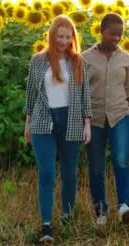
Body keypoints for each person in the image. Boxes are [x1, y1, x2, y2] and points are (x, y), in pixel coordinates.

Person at [24, 15, 92, 243]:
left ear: (73, 37)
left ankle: (67, 217)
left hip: (71, 120)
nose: (63, 41)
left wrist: (87, 124)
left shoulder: (78, 62)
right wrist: (28, 124)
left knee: (70, 174)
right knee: (46, 174)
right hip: (43, 122)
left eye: (67, 36)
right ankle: (46, 225)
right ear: (52, 36)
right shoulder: (38, 61)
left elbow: (85, 96)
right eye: (59, 36)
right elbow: (31, 94)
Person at [82, 13, 129, 225]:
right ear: (101, 31)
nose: (116, 38)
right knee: (96, 167)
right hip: (93, 118)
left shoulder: (126, 59)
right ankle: (100, 211)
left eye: (120, 35)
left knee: (121, 160)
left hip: (119, 115)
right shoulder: (85, 58)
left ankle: (124, 205)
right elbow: (80, 91)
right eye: (112, 34)